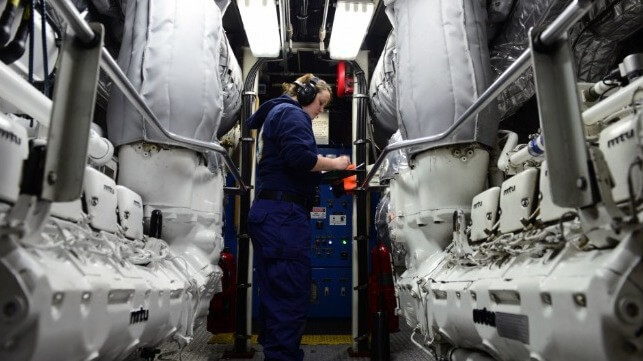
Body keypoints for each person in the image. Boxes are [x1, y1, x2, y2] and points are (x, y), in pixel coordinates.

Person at [246, 73, 350, 361]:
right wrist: (338, 162)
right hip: (283, 217)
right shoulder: (292, 115)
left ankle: (276, 352)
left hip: (272, 214)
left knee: (275, 293)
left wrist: (327, 174)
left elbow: (291, 165)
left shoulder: (274, 114)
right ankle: (282, 356)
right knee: (289, 295)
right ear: (305, 95)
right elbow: (301, 159)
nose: (321, 110)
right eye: (321, 102)